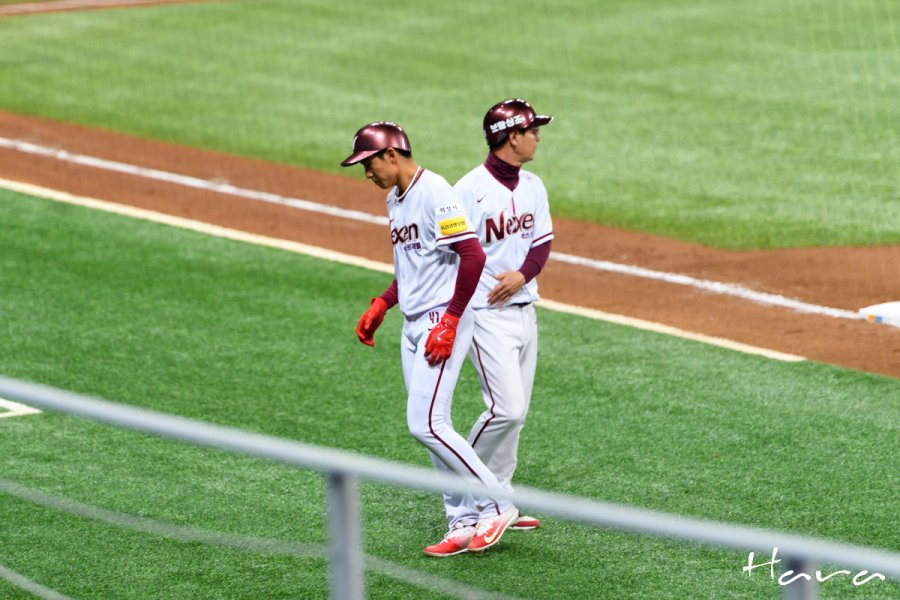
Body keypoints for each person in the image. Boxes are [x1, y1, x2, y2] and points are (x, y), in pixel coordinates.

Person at [341, 121, 519, 556]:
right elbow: (412, 267)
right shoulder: (394, 199)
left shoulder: (434, 190)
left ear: (392, 156)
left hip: (443, 320)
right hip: (414, 323)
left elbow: (472, 255)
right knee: (431, 428)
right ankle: (462, 521)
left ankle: (498, 506)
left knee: (427, 423)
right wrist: (383, 303)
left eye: (369, 164)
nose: (367, 173)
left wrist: (452, 320)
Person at [451, 99, 555, 532]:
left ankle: (501, 501)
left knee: (518, 413)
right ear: (512, 135)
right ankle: (466, 493)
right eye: (532, 130)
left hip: (524, 311)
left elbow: (542, 242)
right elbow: (452, 254)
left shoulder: (533, 184)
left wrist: (522, 276)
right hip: (484, 315)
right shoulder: (467, 190)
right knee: (505, 410)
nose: (538, 136)